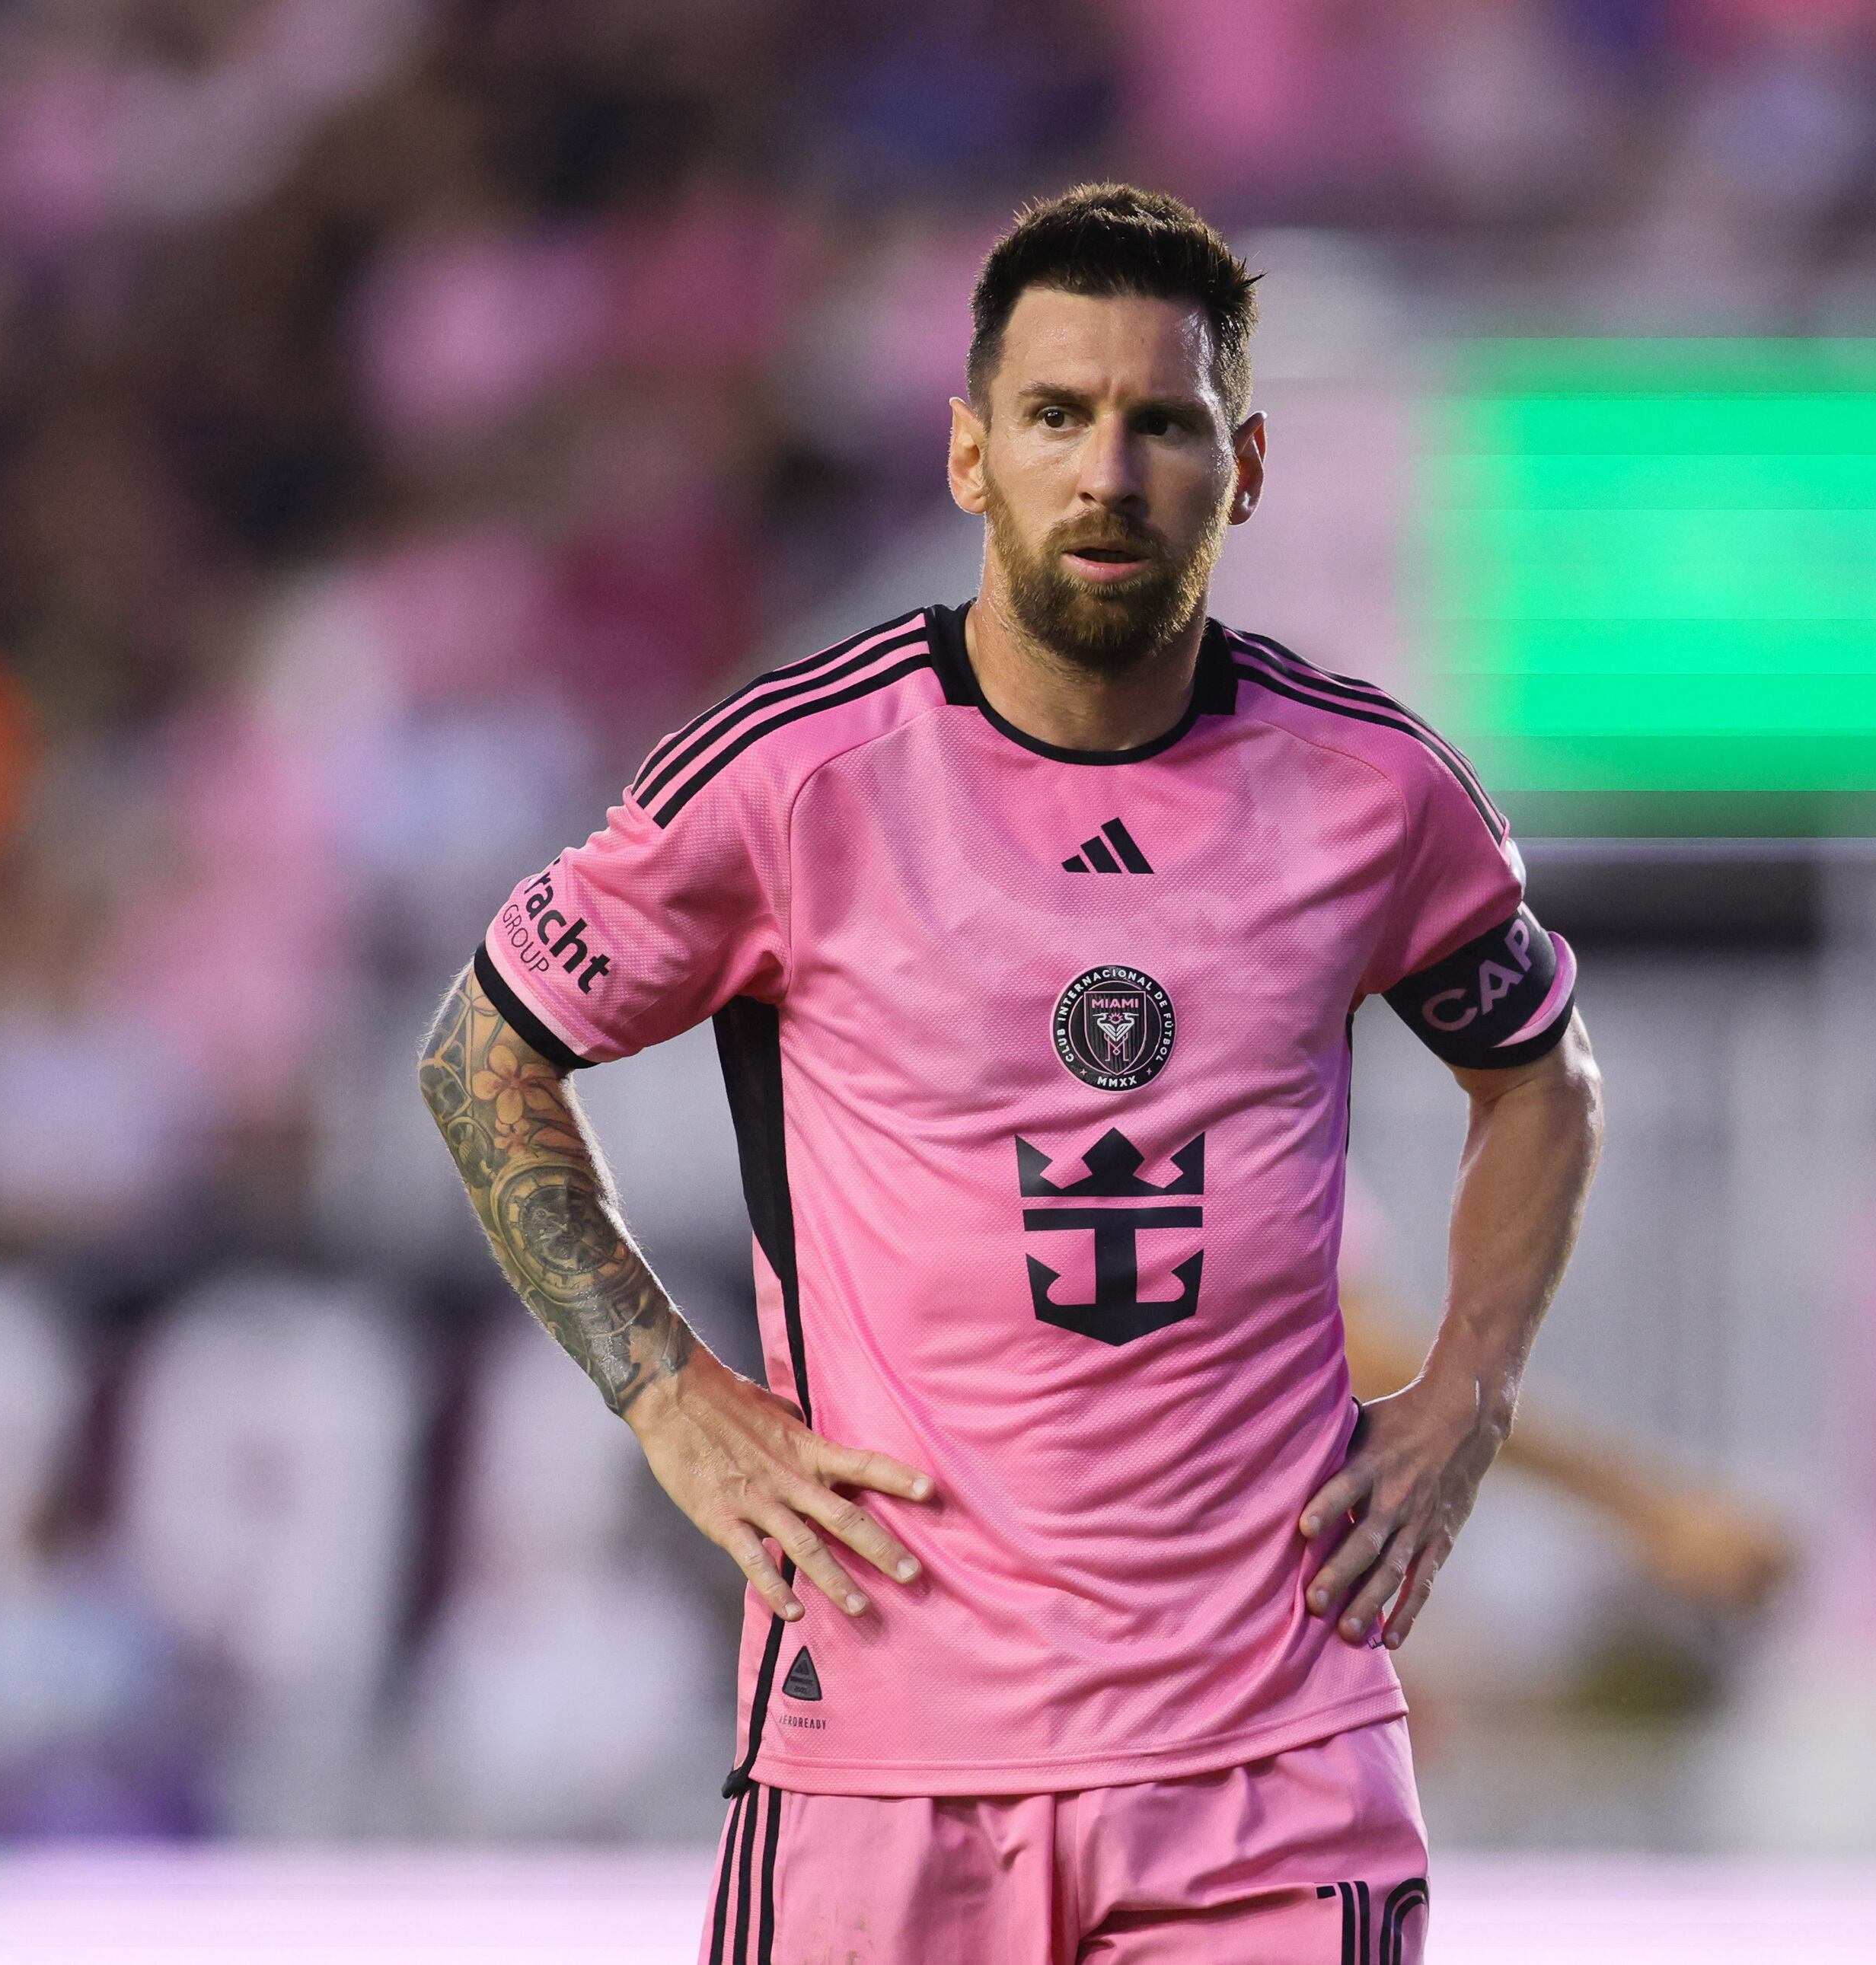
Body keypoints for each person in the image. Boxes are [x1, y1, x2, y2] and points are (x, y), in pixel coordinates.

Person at [417, 184, 1603, 1964]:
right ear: (971, 455)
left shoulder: (1371, 794)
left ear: (1246, 465)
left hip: (1266, 1763)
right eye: (1056, 416)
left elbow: (1542, 1079)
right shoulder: (796, 780)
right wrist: (666, 1392)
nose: (1107, 472)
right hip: (882, 1752)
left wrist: (1470, 1392)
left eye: (1162, 423)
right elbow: (481, 1056)